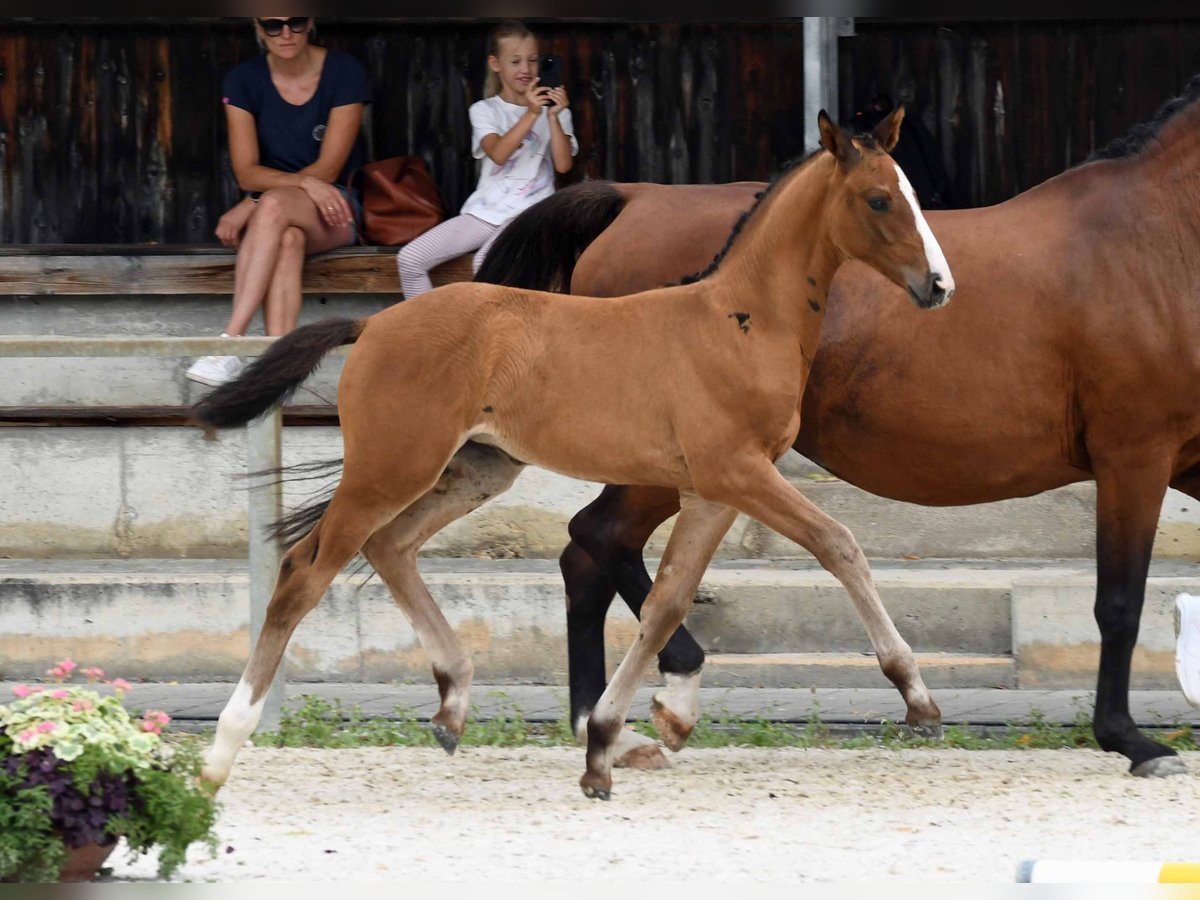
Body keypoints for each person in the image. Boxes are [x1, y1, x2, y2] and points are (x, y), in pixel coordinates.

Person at [186, 16, 370, 387]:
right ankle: (277, 372)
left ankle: (231, 342)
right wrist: (284, 188)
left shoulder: (344, 72)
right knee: (288, 240)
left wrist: (255, 203)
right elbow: (247, 173)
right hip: (281, 208)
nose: (285, 34)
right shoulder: (242, 80)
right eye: (273, 25)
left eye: (295, 22)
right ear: (257, 27)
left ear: (311, 22)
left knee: (272, 207)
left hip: (336, 204)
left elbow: (331, 167)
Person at [396, 20, 577, 298]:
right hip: (484, 212)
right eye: (515, 61)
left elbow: (564, 165)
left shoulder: (556, 111)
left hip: (531, 214)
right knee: (409, 260)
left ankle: (488, 338)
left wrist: (552, 117)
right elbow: (499, 153)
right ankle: (431, 336)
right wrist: (530, 114)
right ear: (496, 64)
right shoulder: (484, 110)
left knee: (485, 263)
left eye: (532, 60)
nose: (526, 70)